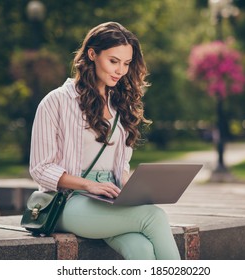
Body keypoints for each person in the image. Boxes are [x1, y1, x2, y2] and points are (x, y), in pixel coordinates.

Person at [29, 22, 180, 260]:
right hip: (69, 202)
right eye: (113, 61)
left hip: (110, 198)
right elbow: (40, 168)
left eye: (127, 63)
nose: (121, 70)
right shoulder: (56, 101)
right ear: (92, 54)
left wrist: (135, 190)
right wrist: (88, 185)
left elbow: (120, 166)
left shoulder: (120, 104)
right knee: (154, 217)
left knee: (141, 249)